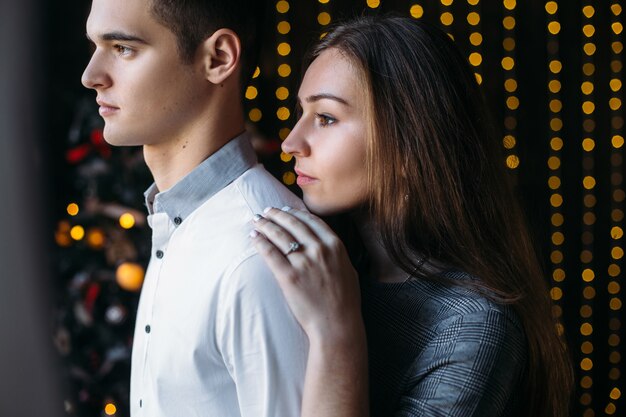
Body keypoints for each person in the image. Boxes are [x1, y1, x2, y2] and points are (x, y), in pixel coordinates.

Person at [251, 16, 574, 417]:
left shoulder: (471, 326)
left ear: (409, 143)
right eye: (301, 113)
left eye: (326, 118)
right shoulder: (323, 265)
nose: (290, 143)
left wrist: (336, 334)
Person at [81, 1, 310, 416]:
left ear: (218, 58)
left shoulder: (260, 256)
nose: (91, 76)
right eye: (95, 46)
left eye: (123, 48)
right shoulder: (175, 219)